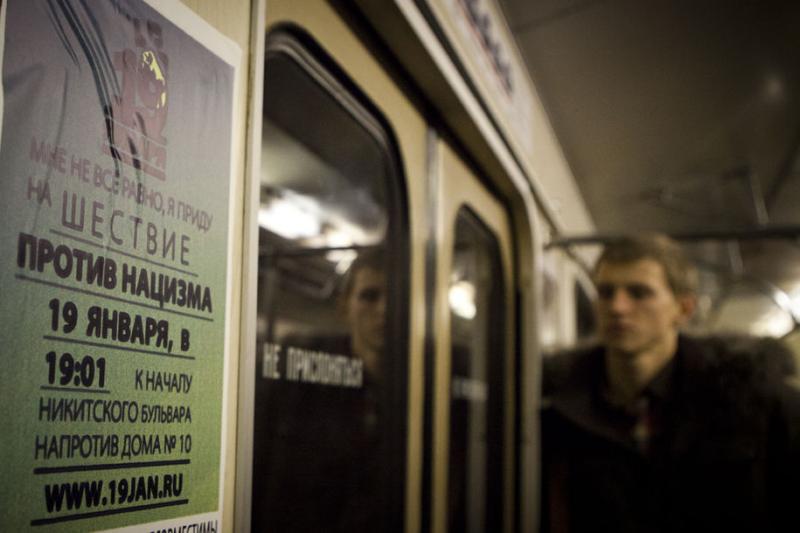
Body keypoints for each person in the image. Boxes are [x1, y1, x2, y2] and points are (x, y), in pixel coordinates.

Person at [540, 234, 800, 533]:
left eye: (639, 293)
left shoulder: (751, 400)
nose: (618, 307)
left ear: (683, 309)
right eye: (606, 292)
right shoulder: (556, 403)